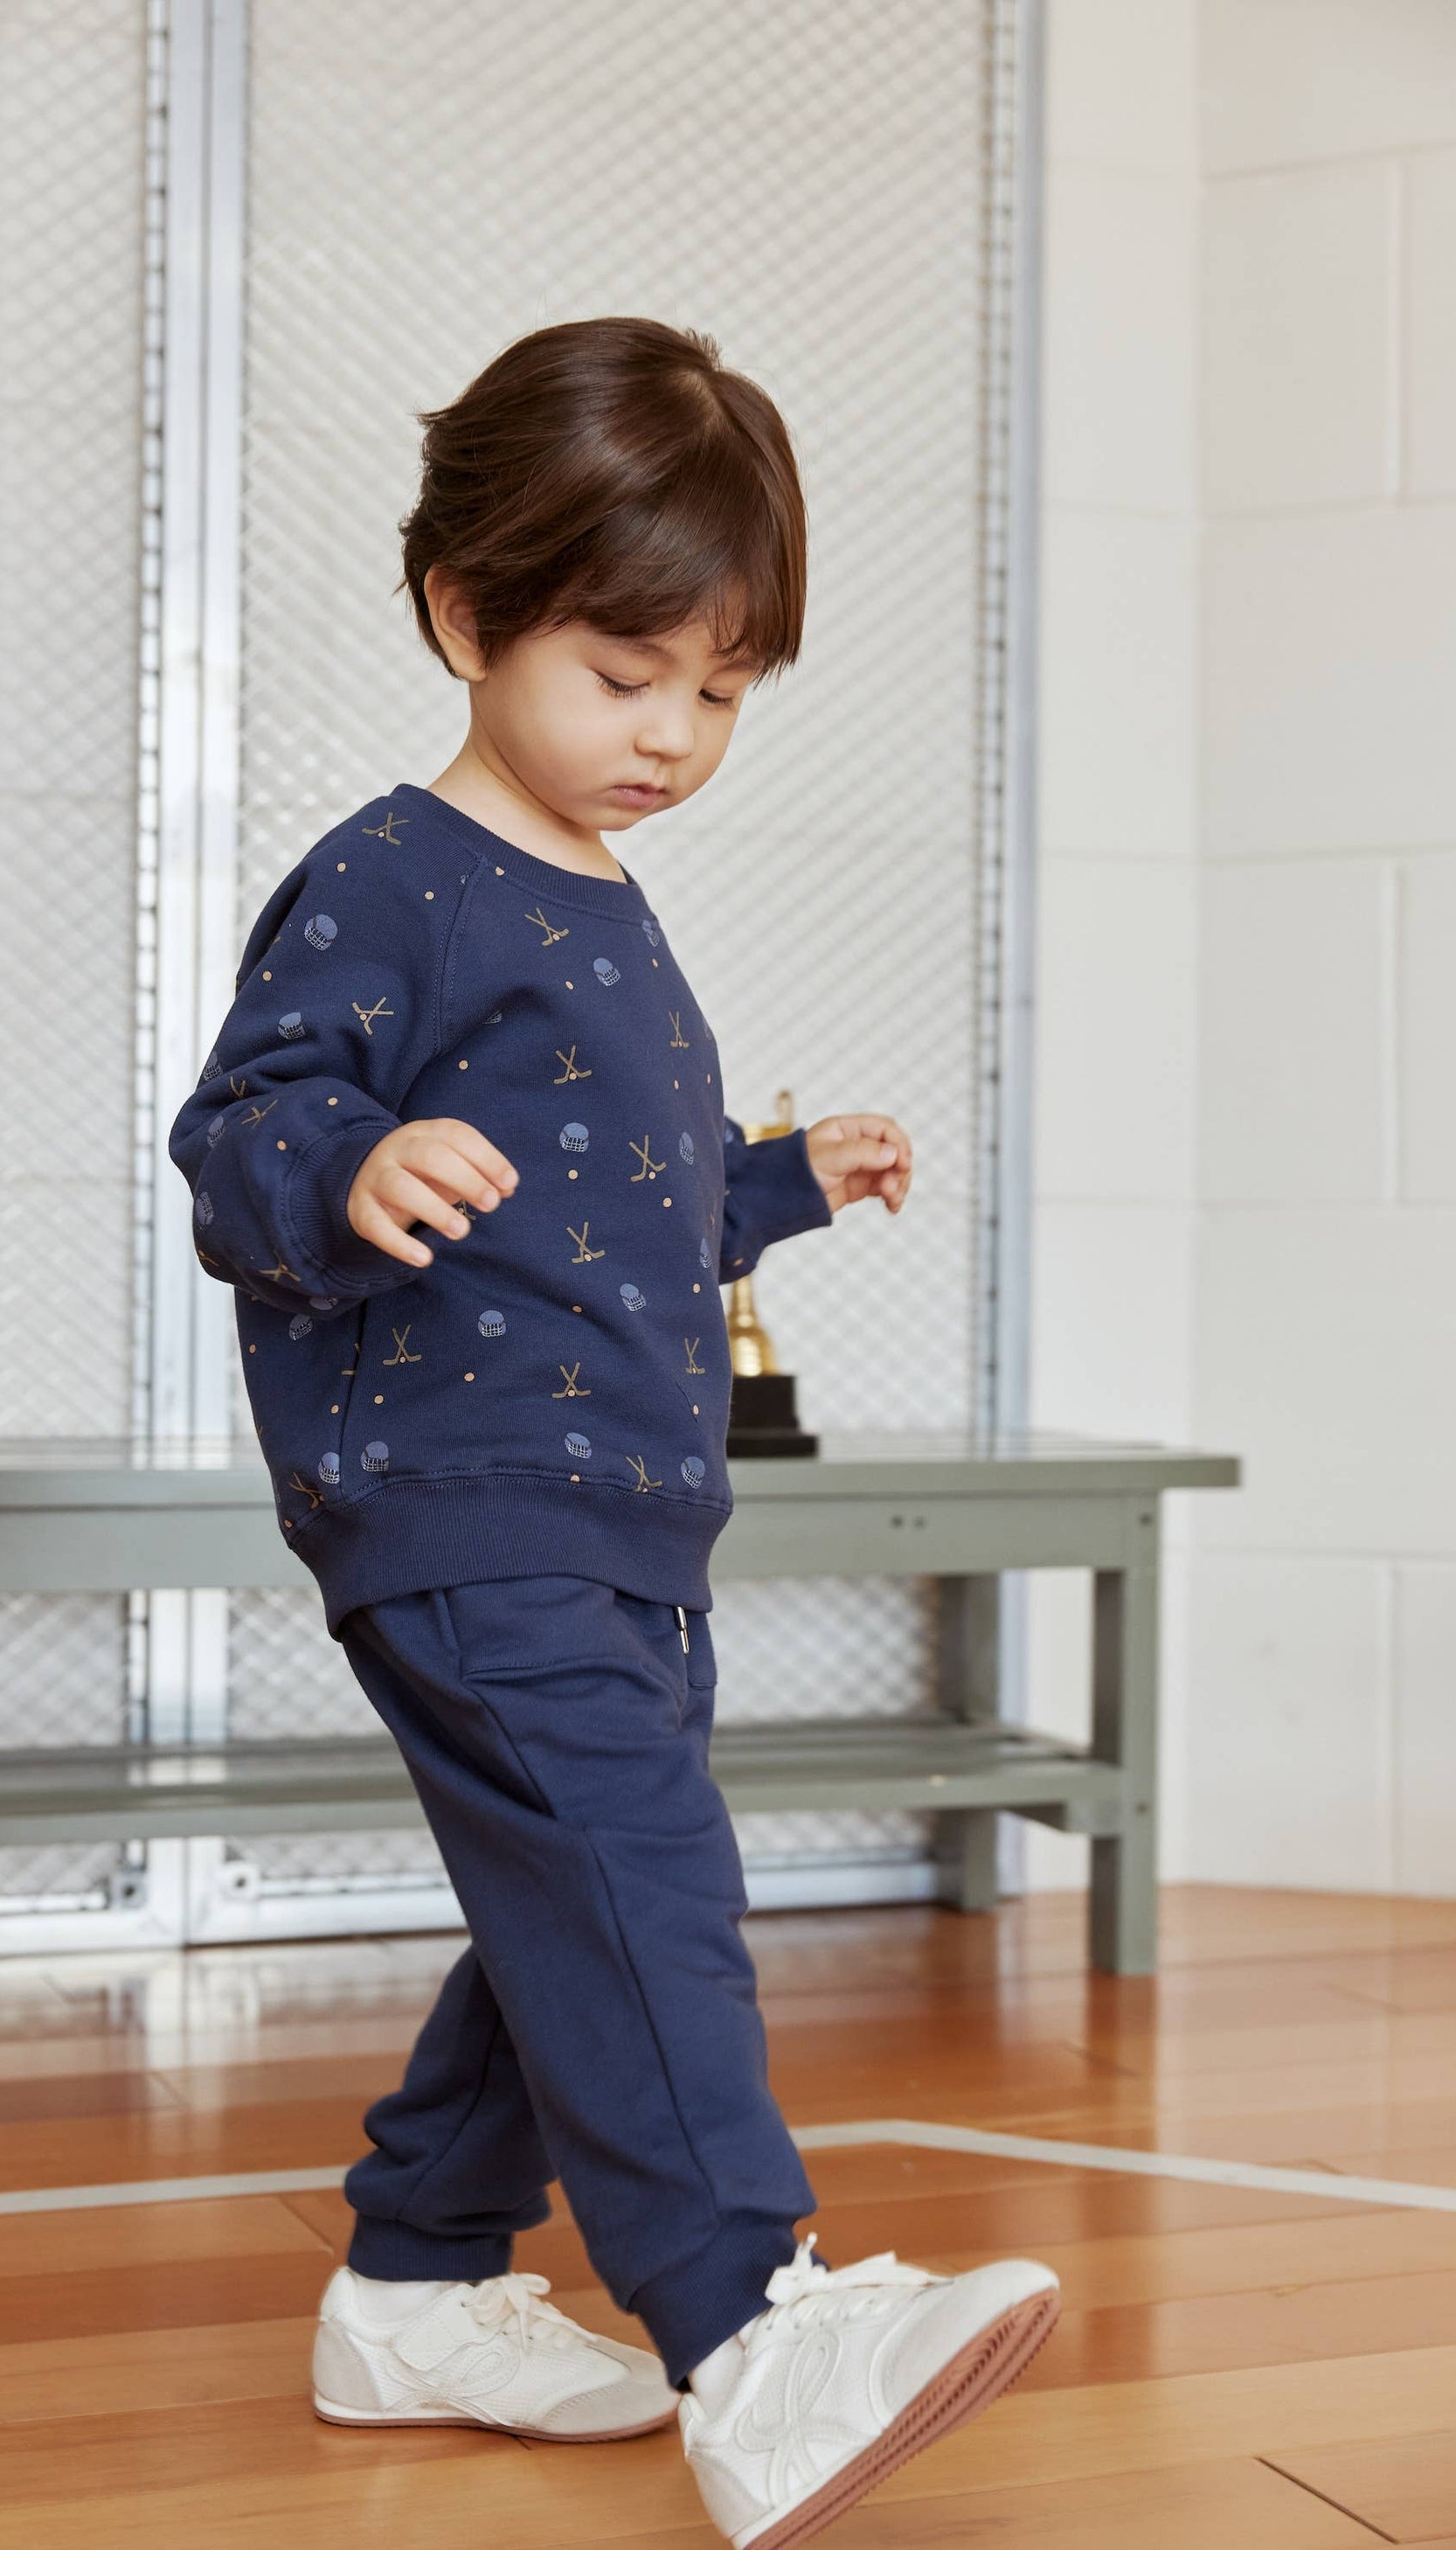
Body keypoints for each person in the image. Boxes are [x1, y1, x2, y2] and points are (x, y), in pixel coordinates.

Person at [171, 316, 1057, 2549]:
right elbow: (244, 1130)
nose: (672, 733)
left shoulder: (604, 903)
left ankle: (413, 2282)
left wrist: (779, 1183)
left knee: (569, 1882)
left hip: (624, 1515)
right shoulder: (394, 877)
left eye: (723, 692)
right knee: (634, 1875)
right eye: (625, 671)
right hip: (464, 1495)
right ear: (465, 612)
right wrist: (348, 1167)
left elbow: (609, 1203)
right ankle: (749, 2330)